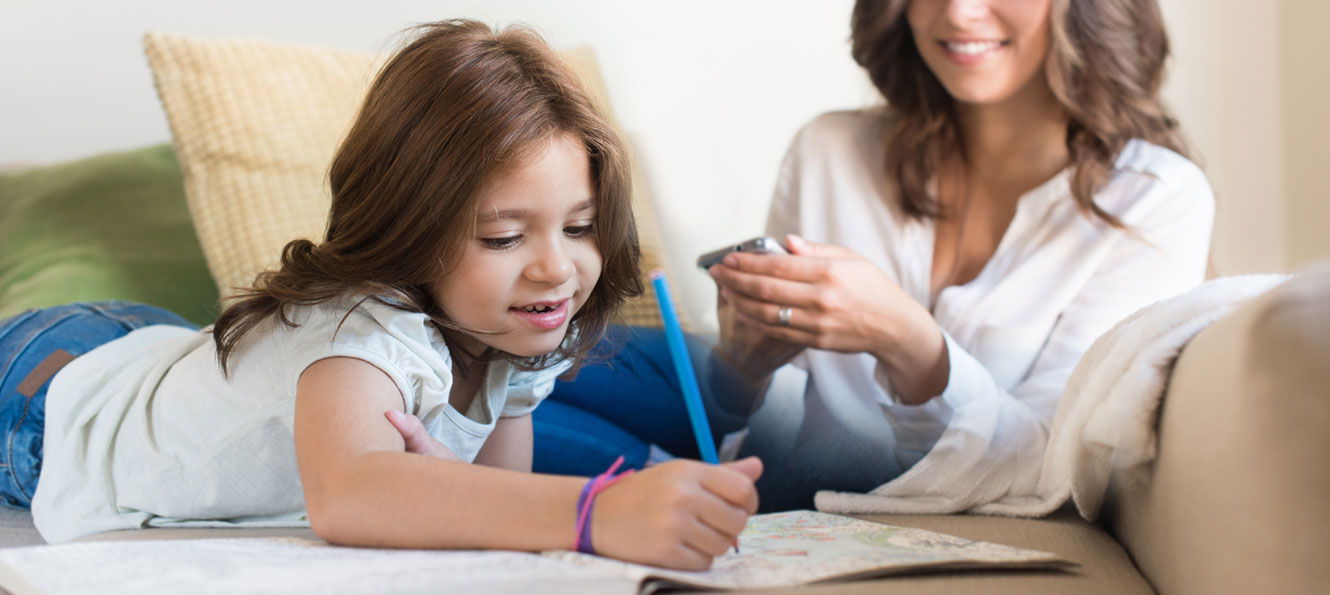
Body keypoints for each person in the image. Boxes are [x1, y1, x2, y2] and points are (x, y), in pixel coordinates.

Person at [2, 20, 761, 570]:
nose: (555, 270)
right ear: (410, 230)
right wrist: (593, 511)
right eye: (503, 237)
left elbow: (499, 510)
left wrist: (446, 492)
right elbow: (349, 491)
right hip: (50, 393)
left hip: (161, 356)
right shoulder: (362, 328)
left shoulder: (519, 333)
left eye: (581, 226)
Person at [526, 0, 1214, 512]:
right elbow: (760, 411)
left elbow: (1056, 464)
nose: (958, 13)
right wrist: (744, 366)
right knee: (506, 349)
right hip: (741, 426)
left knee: (516, 409)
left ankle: (647, 489)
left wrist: (911, 342)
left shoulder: (1155, 200)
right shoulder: (830, 149)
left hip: (847, 483)